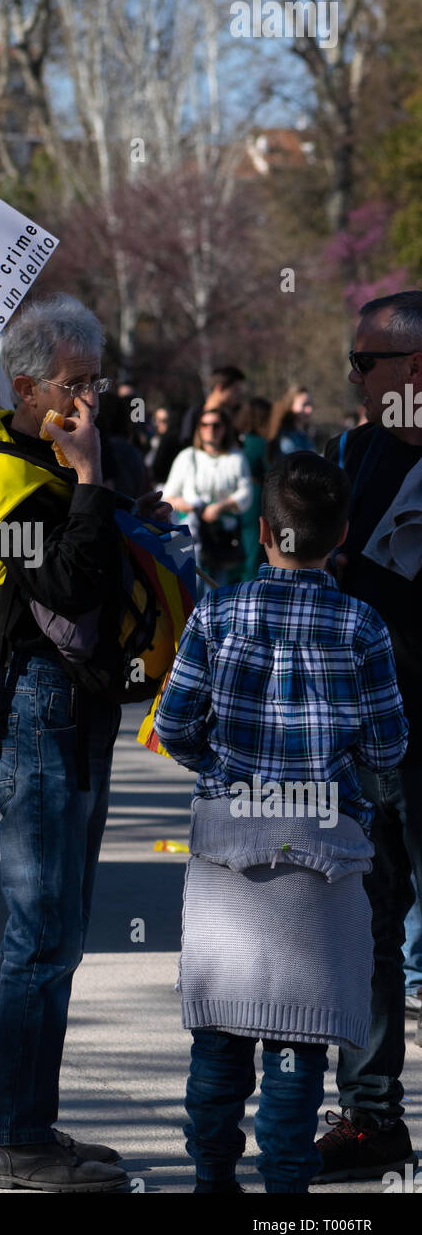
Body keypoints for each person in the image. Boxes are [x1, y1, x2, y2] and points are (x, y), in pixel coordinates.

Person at [0, 293, 170, 1192]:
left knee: (63, 936)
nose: (90, 401)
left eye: (98, 382)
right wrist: (88, 481)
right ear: (28, 384)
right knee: (40, 936)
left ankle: (28, 1121)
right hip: (40, 707)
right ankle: (10, 1136)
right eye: (75, 385)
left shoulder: (54, 457)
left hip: (76, 709)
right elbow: (73, 586)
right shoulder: (5, 470)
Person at [154, 452, 408, 1193]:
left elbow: (173, 725)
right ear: (345, 534)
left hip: (230, 846)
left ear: (263, 529)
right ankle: (288, 1196)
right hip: (323, 856)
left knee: (219, 1039)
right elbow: (389, 745)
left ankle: (212, 1179)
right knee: (298, 1044)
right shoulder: (362, 624)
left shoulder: (217, 612)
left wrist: (220, 765)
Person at [314, 290, 422, 1180]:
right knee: (367, 916)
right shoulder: (357, 453)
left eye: (366, 363)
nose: (355, 379)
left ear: (415, 370)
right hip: (372, 738)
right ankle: (370, 1119)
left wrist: (371, 587)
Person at [162, 407, 254, 586]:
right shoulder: (187, 457)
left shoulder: (236, 458)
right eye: (204, 425)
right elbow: (168, 495)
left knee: (220, 588)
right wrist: (192, 506)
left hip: (223, 537)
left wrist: (221, 507)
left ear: (224, 428)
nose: (210, 429)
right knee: (194, 587)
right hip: (193, 536)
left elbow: (246, 494)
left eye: (216, 425)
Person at [236, 396, 271, 580]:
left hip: (241, 500)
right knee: (253, 552)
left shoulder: (240, 440)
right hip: (256, 500)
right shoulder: (259, 443)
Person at [178, 364, 246, 448]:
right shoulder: (194, 415)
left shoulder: (232, 416)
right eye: (236, 389)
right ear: (220, 388)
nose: (239, 394)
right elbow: (186, 444)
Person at [266, 386, 314, 463]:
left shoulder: (305, 435)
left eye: (310, 404)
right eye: (304, 405)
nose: (309, 410)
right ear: (290, 406)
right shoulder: (285, 437)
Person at [145, 406, 181, 489]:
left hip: (162, 485)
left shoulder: (171, 441)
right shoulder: (150, 440)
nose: (160, 424)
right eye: (157, 420)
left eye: (164, 421)